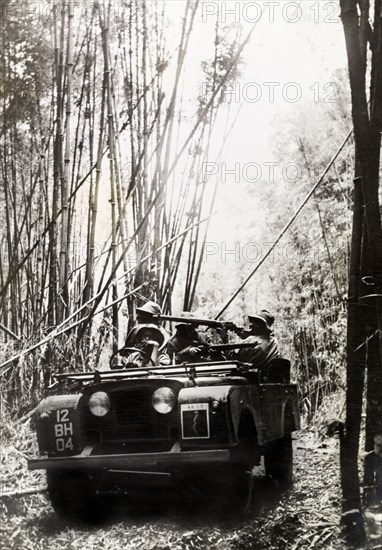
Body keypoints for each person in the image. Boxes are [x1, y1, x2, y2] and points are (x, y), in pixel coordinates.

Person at [123, 301, 170, 367]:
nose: (146, 340)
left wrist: (155, 348)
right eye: (144, 337)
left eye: (150, 337)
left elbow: (159, 370)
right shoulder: (134, 356)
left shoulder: (162, 357)